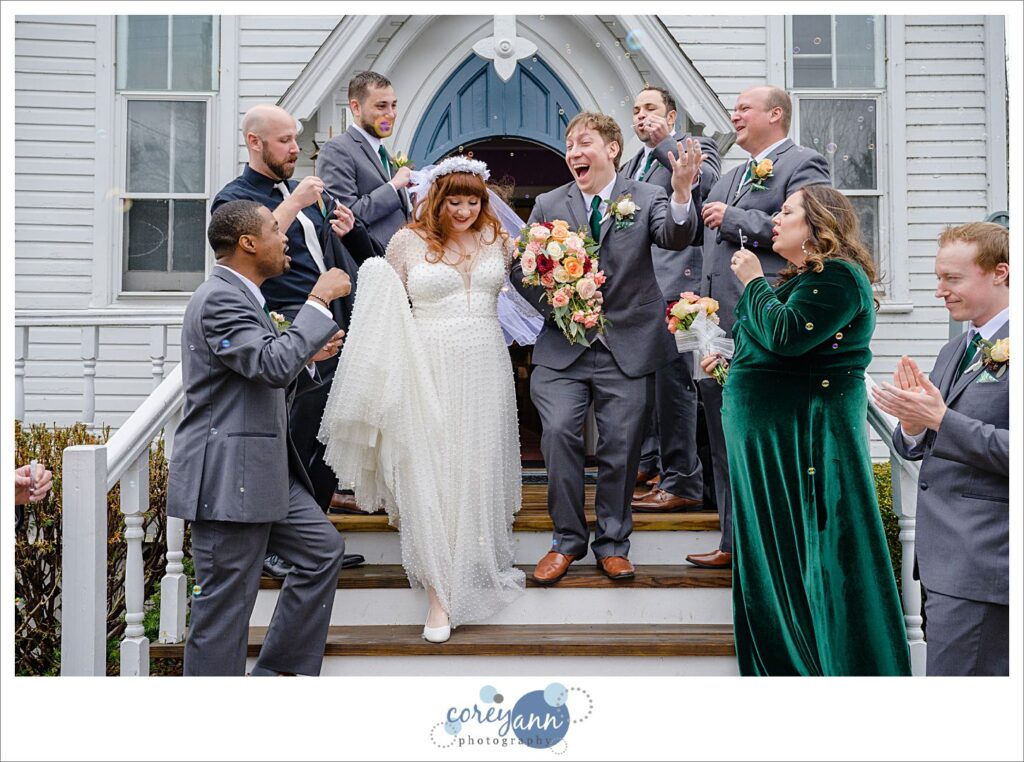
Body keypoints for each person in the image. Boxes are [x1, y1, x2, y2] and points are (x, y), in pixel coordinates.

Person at [700, 184, 910, 675]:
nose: (775, 217)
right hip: (770, 444)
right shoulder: (798, 280)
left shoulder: (838, 276)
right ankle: (780, 663)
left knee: (807, 554)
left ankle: (818, 665)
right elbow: (773, 358)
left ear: (817, 226)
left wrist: (752, 282)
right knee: (770, 559)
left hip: (806, 442)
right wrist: (730, 372)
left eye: (787, 211)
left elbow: (789, 338)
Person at [319, 157, 525, 643]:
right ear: (435, 197)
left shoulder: (501, 241)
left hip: (488, 367)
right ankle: (438, 594)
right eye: (453, 200)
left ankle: (473, 564)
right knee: (432, 471)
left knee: (476, 468)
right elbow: (383, 306)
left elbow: (528, 292)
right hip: (428, 364)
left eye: (473, 200)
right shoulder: (406, 243)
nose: (463, 210)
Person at [512, 112, 703, 586]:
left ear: (612, 149)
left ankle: (613, 544)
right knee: (558, 435)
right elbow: (522, 271)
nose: (574, 151)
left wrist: (682, 192)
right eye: (570, 144)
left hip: (629, 347)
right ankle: (566, 541)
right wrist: (564, 305)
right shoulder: (549, 204)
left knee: (622, 449)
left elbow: (674, 233)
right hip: (563, 350)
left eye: (585, 142)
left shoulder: (647, 197)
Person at [167, 200, 350, 676]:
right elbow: (268, 365)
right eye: (275, 228)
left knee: (321, 554)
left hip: (267, 472)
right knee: (225, 611)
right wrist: (317, 301)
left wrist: (308, 356)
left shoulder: (246, 296)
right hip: (230, 479)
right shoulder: (219, 298)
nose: (284, 236)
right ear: (248, 243)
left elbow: (265, 369)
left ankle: (278, 675)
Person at [213, 104, 374, 563]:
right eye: (284, 140)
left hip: (334, 323)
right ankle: (279, 548)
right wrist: (294, 203)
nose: (293, 148)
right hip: (287, 331)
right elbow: (244, 252)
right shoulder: (235, 198)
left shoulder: (301, 193)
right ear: (254, 142)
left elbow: (324, 258)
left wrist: (344, 230)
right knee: (296, 439)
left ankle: (313, 537)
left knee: (329, 438)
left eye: (294, 139)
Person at [687, 85, 831, 570]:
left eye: (744, 108)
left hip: (766, 322)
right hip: (717, 331)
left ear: (776, 114)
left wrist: (734, 220)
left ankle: (765, 548)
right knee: (724, 438)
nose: (735, 115)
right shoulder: (730, 175)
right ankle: (731, 542)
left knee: (759, 438)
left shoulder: (802, 164)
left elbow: (805, 230)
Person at [872, 222, 1009, 676]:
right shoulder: (956, 349)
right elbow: (924, 443)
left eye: (952, 279)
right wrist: (912, 427)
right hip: (940, 563)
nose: (939, 292)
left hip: (985, 562)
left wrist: (941, 420)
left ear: (1000, 273)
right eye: (938, 278)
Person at [622, 86, 721, 513]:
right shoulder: (629, 166)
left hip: (682, 289)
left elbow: (708, 188)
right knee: (646, 386)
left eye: (650, 109)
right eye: (636, 111)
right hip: (639, 293)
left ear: (672, 115)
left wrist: (667, 143)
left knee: (679, 386)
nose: (642, 117)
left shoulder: (698, 147)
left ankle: (682, 480)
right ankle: (650, 464)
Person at [319, 70, 411, 254]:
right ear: (356, 107)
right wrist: (393, 187)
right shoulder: (337, 149)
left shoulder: (384, 153)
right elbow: (345, 216)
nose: (391, 114)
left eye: (394, 105)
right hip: (369, 261)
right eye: (381, 106)